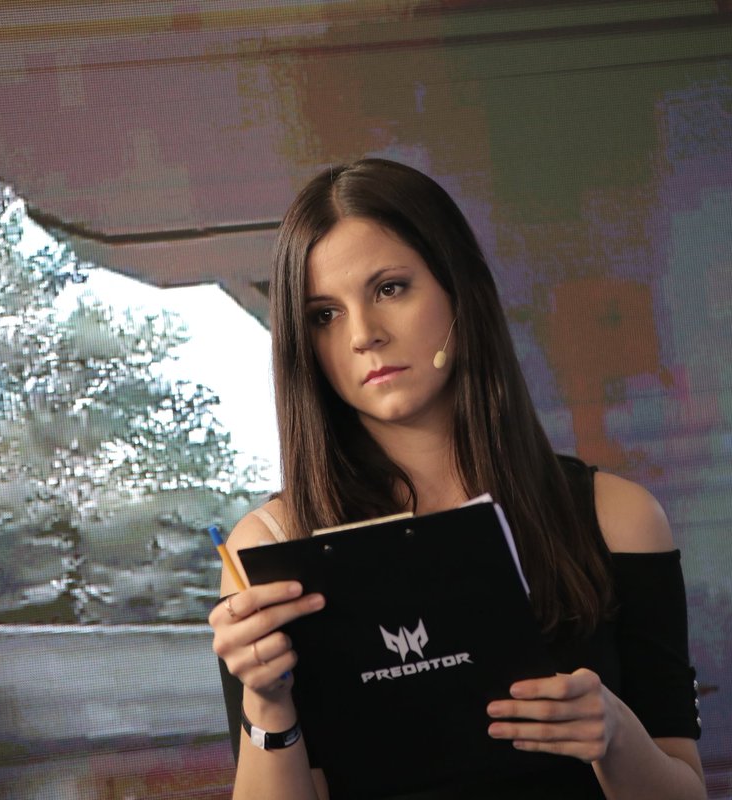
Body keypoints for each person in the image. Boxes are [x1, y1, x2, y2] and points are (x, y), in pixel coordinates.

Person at [210, 158, 705, 800]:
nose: (363, 336)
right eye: (324, 315)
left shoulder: (618, 517)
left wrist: (616, 735)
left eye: (390, 288)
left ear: (458, 288)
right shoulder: (271, 548)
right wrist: (267, 705)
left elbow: (684, 787)